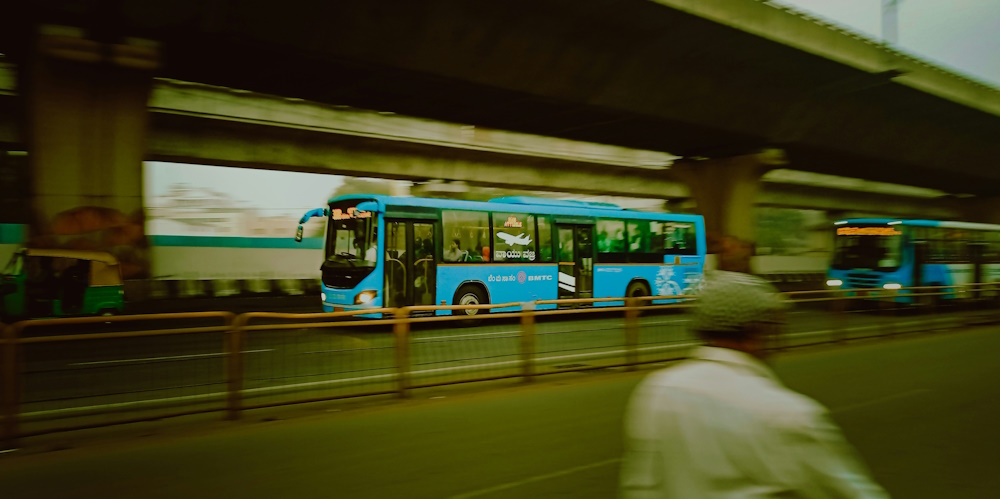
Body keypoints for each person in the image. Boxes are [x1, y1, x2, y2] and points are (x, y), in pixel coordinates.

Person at [619, 270, 888, 498]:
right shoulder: (789, 415)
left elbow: (642, 487)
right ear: (754, 332)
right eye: (773, 330)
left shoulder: (658, 389)